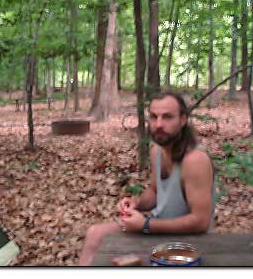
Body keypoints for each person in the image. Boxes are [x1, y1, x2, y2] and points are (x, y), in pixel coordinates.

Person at [78, 91, 215, 266]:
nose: (158, 124)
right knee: (95, 233)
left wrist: (146, 225)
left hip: (189, 241)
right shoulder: (156, 150)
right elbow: (155, 191)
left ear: (182, 120)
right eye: (154, 117)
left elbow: (200, 222)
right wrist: (136, 203)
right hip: (158, 227)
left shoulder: (195, 160)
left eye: (167, 117)